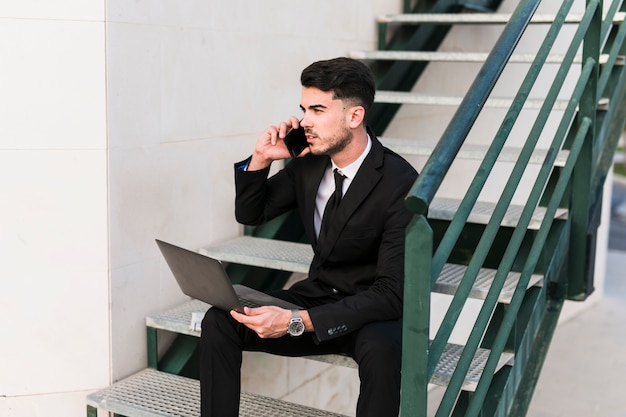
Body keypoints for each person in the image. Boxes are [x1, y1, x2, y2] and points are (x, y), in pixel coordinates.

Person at [200, 57, 419, 417]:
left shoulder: (400, 182)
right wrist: (261, 157)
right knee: (220, 319)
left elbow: (392, 294)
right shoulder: (310, 162)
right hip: (316, 295)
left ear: (354, 116)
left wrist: (293, 321)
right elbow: (252, 214)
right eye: (304, 109)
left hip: (369, 310)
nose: (305, 122)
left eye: (317, 109)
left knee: (384, 351)